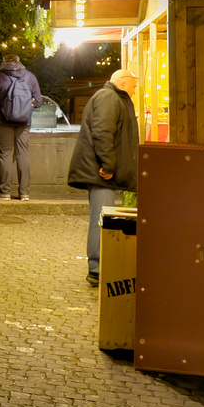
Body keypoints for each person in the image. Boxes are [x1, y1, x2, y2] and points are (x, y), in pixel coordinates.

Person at [69, 69, 140, 287]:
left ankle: (99, 266)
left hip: (100, 171)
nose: (135, 89)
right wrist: (108, 165)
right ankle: (97, 268)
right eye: (134, 85)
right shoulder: (109, 98)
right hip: (101, 173)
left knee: (101, 218)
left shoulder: (109, 97)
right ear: (124, 82)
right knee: (101, 220)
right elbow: (102, 132)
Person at [0, 53, 44, 202]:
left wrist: (3, 103)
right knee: (22, 154)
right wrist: (26, 107)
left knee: (6, 154)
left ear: (4, 63)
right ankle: (24, 193)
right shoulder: (30, 76)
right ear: (19, 62)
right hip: (24, 122)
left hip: (3, 122)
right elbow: (39, 102)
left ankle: (4, 192)